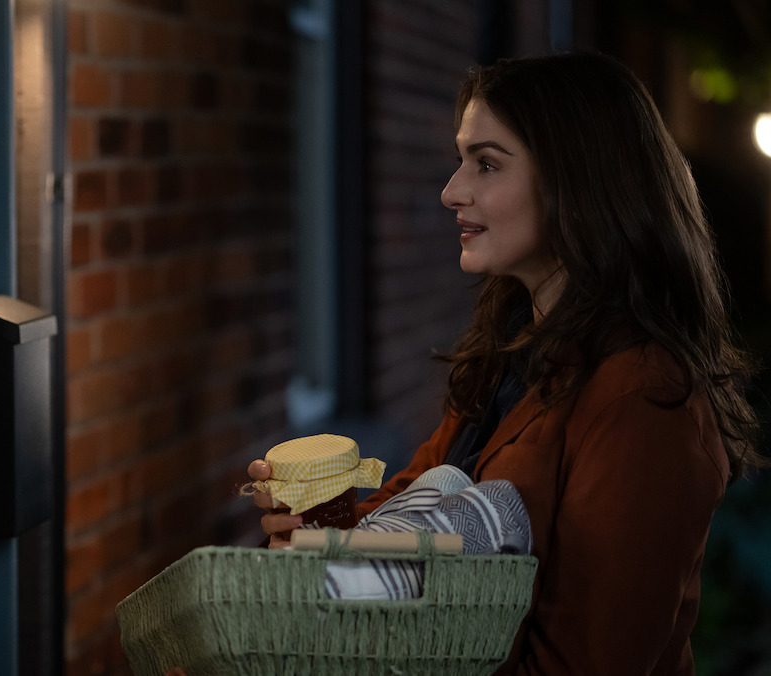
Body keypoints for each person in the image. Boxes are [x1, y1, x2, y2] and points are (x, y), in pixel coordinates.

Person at [247, 51, 764, 673]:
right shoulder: (512, 352)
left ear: (579, 180)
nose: (451, 191)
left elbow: (582, 664)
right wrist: (312, 532)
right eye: (461, 160)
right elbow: (414, 508)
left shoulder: (643, 397)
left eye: (487, 164)